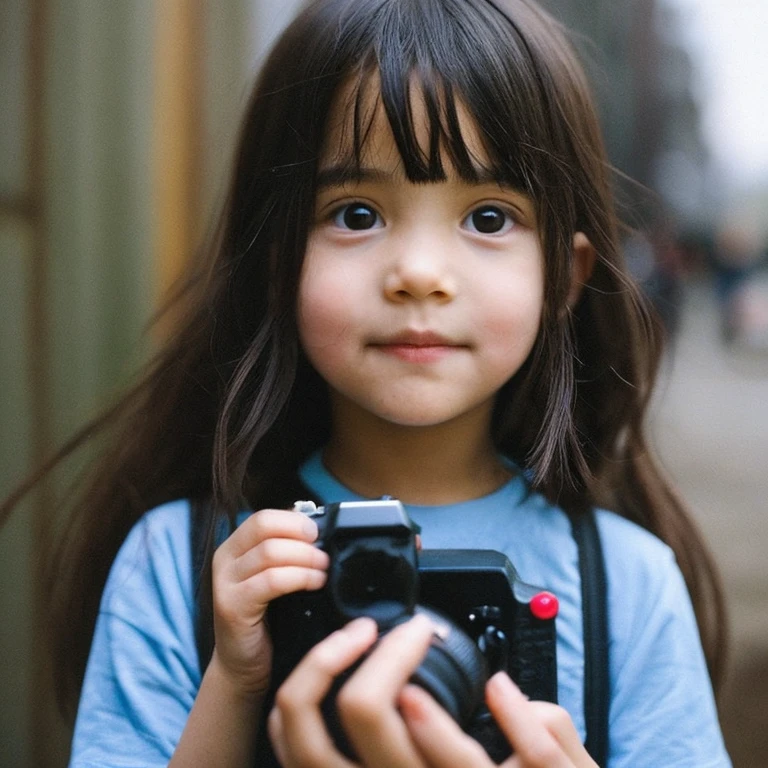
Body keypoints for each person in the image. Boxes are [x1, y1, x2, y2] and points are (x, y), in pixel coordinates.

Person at [1, 0, 731, 765]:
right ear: (276, 259)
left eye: (487, 217)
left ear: (564, 277)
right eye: (355, 213)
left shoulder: (626, 584)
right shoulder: (184, 566)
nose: (419, 274)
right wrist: (236, 681)